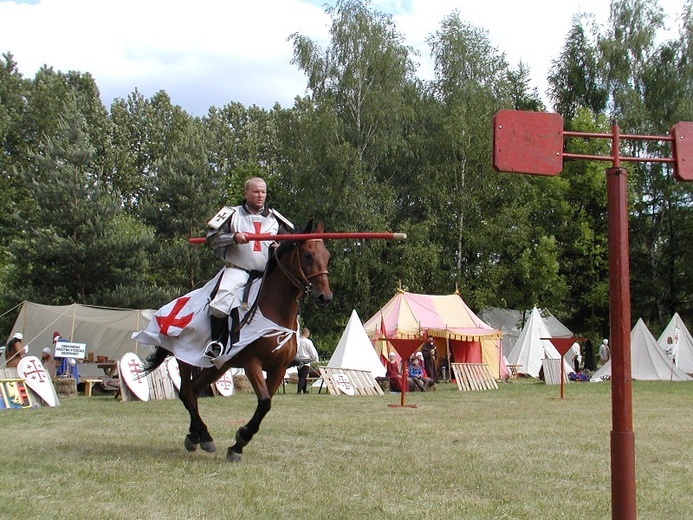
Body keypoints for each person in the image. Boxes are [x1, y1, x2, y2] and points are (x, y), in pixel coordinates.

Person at [203, 177, 293, 359]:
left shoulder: (276, 218)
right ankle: (216, 343)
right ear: (246, 193)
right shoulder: (230, 213)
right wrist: (233, 237)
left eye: (263, 192)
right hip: (238, 270)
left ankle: (288, 345)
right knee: (219, 305)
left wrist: (279, 246)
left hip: (268, 274)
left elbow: (290, 244)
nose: (260, 195)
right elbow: (210, 239)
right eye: (256, 191)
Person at [294, 328, 319, 394]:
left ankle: (304, 390)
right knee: (303, 376)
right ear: (307, 333)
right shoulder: (307, 342)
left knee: (301, 376)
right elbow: (312, 351)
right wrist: (316, 359)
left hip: (298, 360)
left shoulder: (297, 341)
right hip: (306, 361)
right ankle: (299, 390)